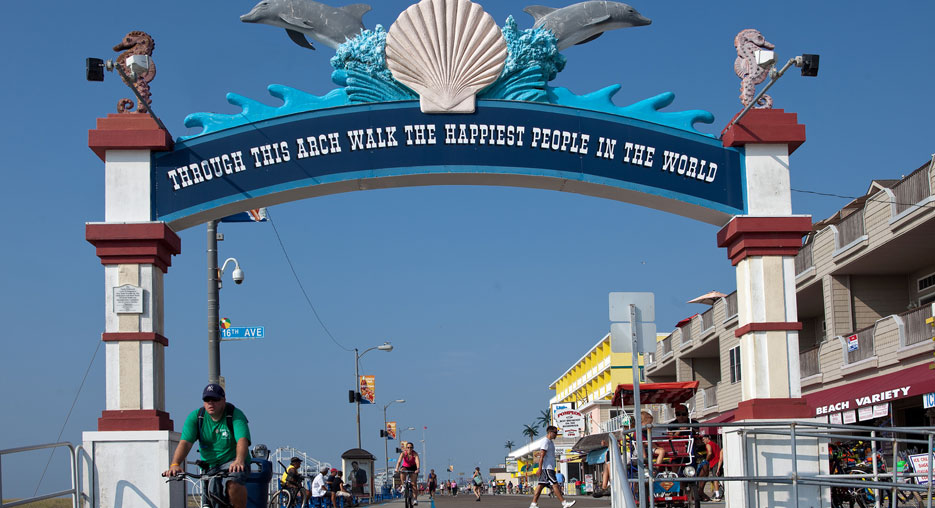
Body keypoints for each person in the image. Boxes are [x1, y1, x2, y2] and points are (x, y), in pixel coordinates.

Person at [162, 383, 251, 508]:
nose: (210, 403)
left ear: (223, 400)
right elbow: (185, 443)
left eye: (215, 399)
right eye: (207, 400)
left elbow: (242, 440)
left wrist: (239, 461)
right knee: (210, 500)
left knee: (233, 483)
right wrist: (175, 464)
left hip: (232, 462)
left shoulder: (235, 415)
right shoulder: (197, 417)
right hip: (209, 466)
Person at [529, 426, 576, 508]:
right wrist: (539, 468)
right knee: (555, 485)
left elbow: (544, 454)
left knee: (540, 485)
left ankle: (533, 503)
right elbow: (542, 456)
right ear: (550, 432)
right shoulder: (545, 442)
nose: (556, 435)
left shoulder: (550, 442)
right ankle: (564, 503)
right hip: (547, 468)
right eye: (555, 433)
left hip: (549, 467)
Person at [697, 434, 723, 501]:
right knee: (719, 478)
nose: (703, 441)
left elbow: (710, 453)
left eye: (703, 439)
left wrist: (706, 460)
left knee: (715, 478)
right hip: (719, 461)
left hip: (714, 462)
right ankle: (719, 491)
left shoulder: (708, 444)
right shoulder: (716, 444)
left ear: (707, 438)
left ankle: (717, 495)